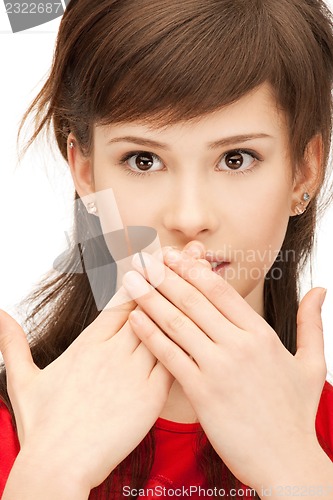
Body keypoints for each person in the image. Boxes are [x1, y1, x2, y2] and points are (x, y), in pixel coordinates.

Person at [1, 0, 333, 498]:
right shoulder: (23, 428)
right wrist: (48, 476)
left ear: (304, 170)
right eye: (142, 160)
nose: (189, 217)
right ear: (85, 173)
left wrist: (297, 470)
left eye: (236, 158)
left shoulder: (318, 445)